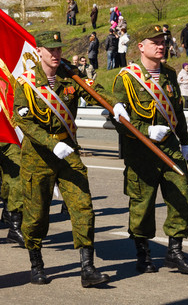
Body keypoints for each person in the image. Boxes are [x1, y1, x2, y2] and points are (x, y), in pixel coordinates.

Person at [12, 30, 127, 287]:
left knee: (82, 205)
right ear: (39, 51)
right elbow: (23, 121)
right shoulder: (25, 82)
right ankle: (36, 263)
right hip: (38, 155)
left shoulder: (70, 78)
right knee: (36, 213)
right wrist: (52, 145)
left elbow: (93, 90)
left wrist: (114, 104)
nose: (55, 54)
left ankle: (87, 268)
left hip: (68, 150)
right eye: (50, 49)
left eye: (59, 49)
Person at [111, 24, 188, 276]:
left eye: (163, 42)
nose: (161, 46)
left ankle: (175, 251)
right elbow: (120, 122)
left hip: (170, 149)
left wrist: (185, 141)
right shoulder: (125, 79)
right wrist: (145, 130)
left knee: (182, 198)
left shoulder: (170, 75)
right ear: (140, 47)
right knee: (142, 205)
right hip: (142, 152)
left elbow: (178, 113)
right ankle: (143, 254)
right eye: (155, 42)